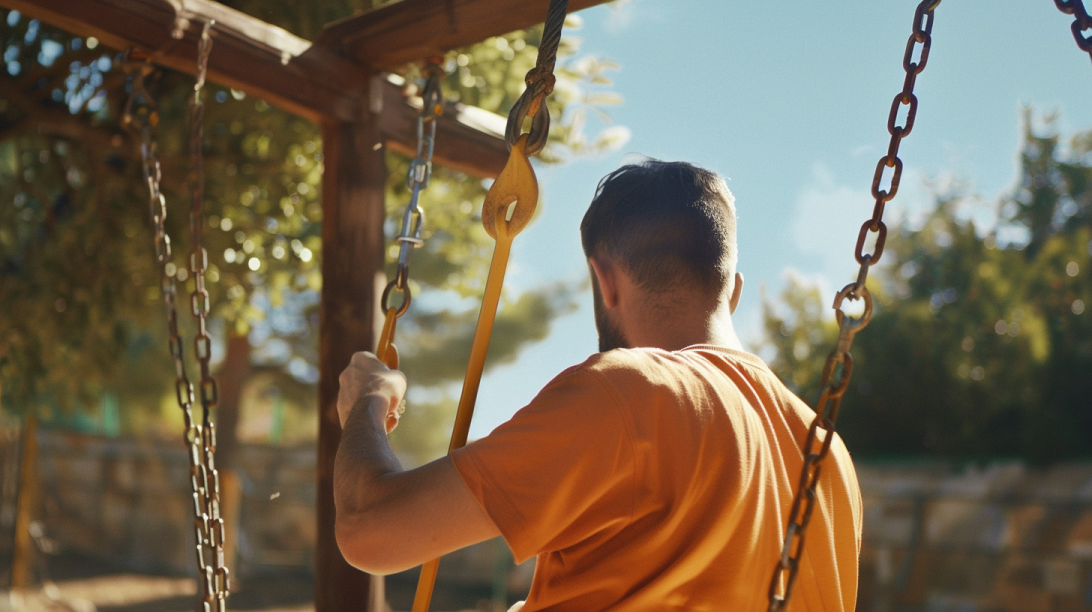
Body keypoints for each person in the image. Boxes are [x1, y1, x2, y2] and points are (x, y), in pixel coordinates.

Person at [334, 160, 862, 611]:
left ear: (605, 278)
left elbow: (369, 527)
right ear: (732, 291)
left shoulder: (631, 392)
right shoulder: (827, 452)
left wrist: (368, 399)